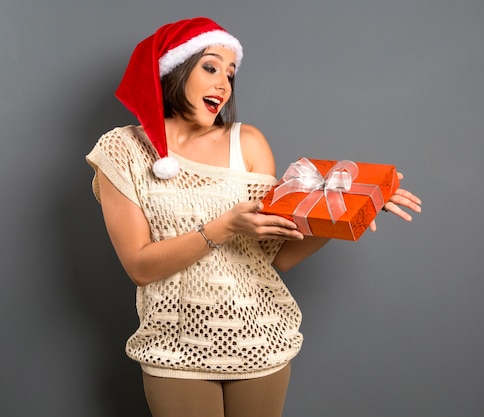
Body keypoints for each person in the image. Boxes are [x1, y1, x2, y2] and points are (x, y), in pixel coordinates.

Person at [86, 16, 421, 417]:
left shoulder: (247, 143)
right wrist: (224, 226)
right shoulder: (123, 149)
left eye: (230, 73)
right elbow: (139, 266)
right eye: (210, 67)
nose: (224, 84)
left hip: (261, 339)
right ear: (174, 70)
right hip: (174, 344)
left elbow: (276, 256)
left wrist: (349, 210)